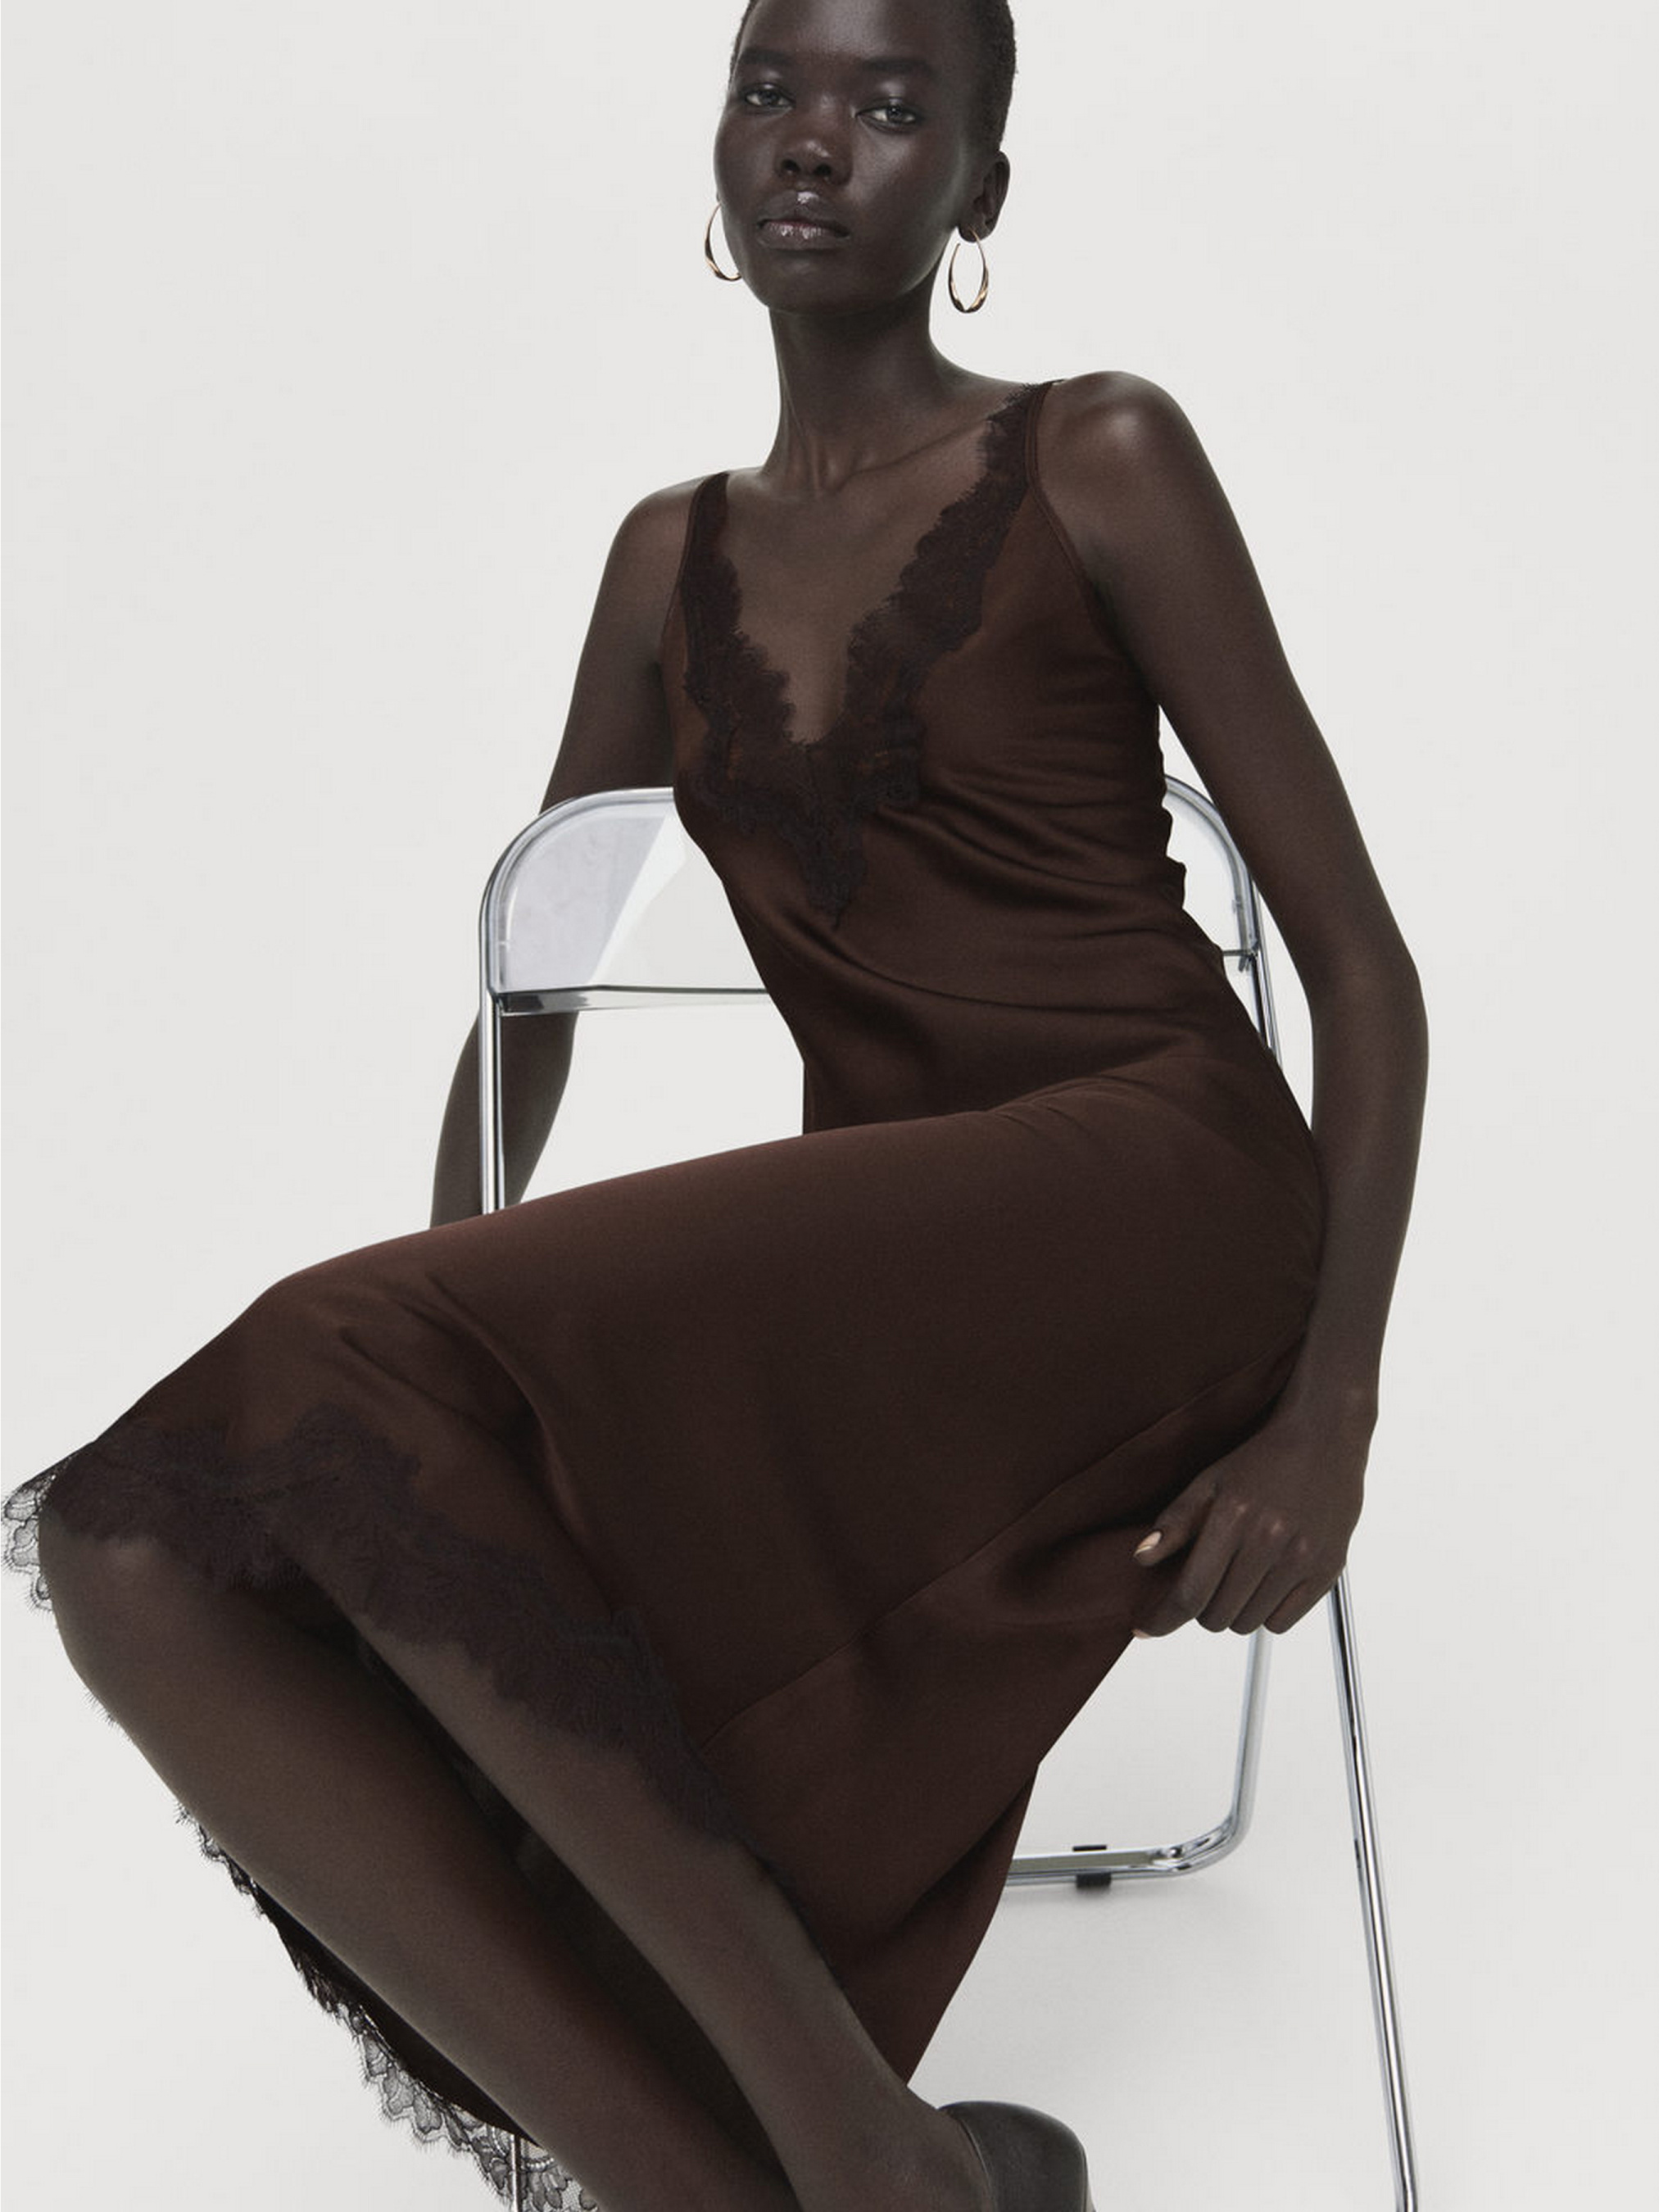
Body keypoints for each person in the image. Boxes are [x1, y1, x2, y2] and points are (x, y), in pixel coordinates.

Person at [3, 1, 1428, 2207]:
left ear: (978, 188)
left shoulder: (1099, 453)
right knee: (130, 1544)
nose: (814, 141)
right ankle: (778, 2181)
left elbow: (1359, 969)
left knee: (327, 1368)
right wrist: (442, 1316)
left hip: (1164, 1192)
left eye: (889, 106)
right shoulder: (662, 562)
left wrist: (1327, 1417)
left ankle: (856, 2168)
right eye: (772, 89)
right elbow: (539, 977)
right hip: (892, 1256)